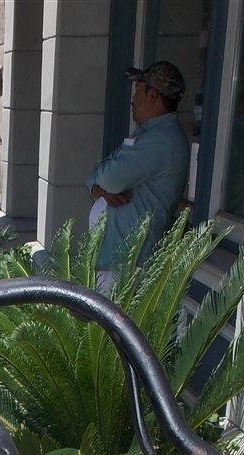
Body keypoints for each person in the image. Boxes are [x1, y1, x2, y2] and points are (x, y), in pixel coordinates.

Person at [85, 61, 190, 290]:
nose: (133, 99)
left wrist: (102, 183)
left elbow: (111, 178)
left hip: (126, 268)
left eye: (137, 91)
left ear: (152, 95)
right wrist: (98, 188)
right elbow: (97, 175)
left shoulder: (162, 141)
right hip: (116, 264)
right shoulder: (146, 134)